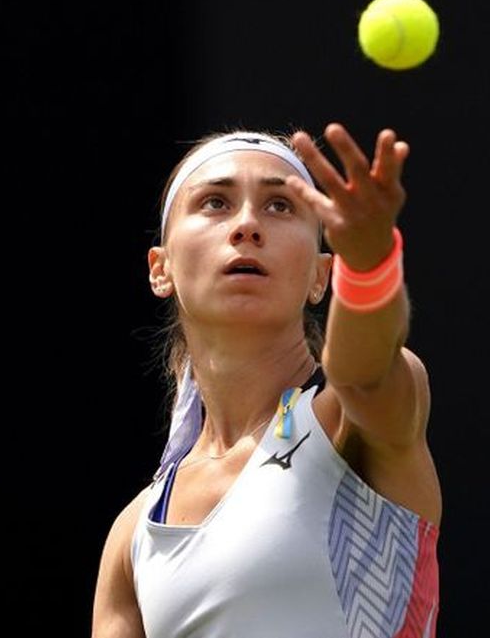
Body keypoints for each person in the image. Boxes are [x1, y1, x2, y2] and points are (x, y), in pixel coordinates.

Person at [91, 124, 442, 638]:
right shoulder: (132, 536)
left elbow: (363, 372)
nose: (247, 225)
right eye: (215, 202)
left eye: (280, 206)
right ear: (160, 268)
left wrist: (369, 266)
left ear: (322, 275)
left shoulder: (350, 420)